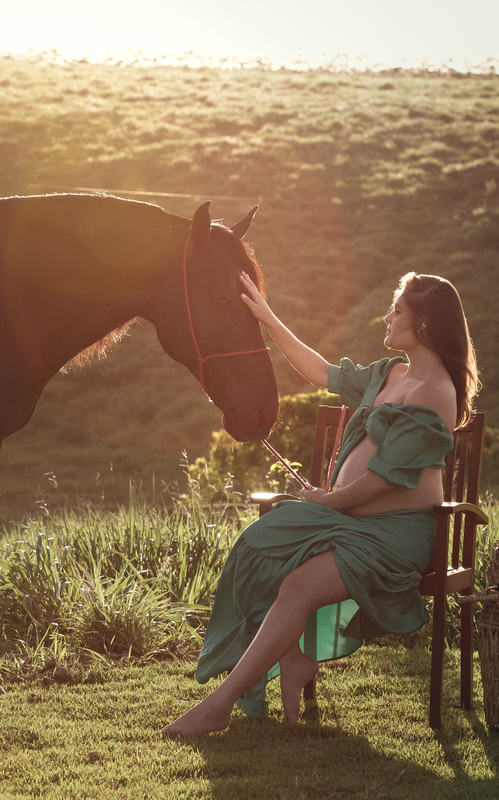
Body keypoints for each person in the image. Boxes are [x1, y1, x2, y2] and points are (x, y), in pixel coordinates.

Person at [161, 272, 480, 736]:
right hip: (349, 521)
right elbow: (318, 371)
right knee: (260, 539)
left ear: (426, 325)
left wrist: (328, 502)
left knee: (297, 586)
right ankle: (294, 655)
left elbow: (383, 481)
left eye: (397, 311)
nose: (388, 317)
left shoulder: (435, 393)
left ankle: (220, 704)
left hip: (400, 535)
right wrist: (267, 318)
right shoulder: (391, 372)